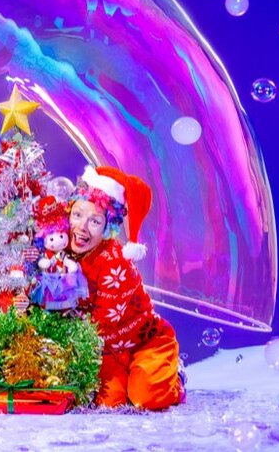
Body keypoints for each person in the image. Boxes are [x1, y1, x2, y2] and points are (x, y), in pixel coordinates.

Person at [69, 165, 186, 410]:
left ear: (107, 227)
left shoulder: (115, 263)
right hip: (108, 352)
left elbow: (100, 323)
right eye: (77, 214)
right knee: (107, 404)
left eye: (95, 221)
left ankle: (175, 377)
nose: (81, 227)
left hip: (144, 342)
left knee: (146, 397)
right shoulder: (61, 247)